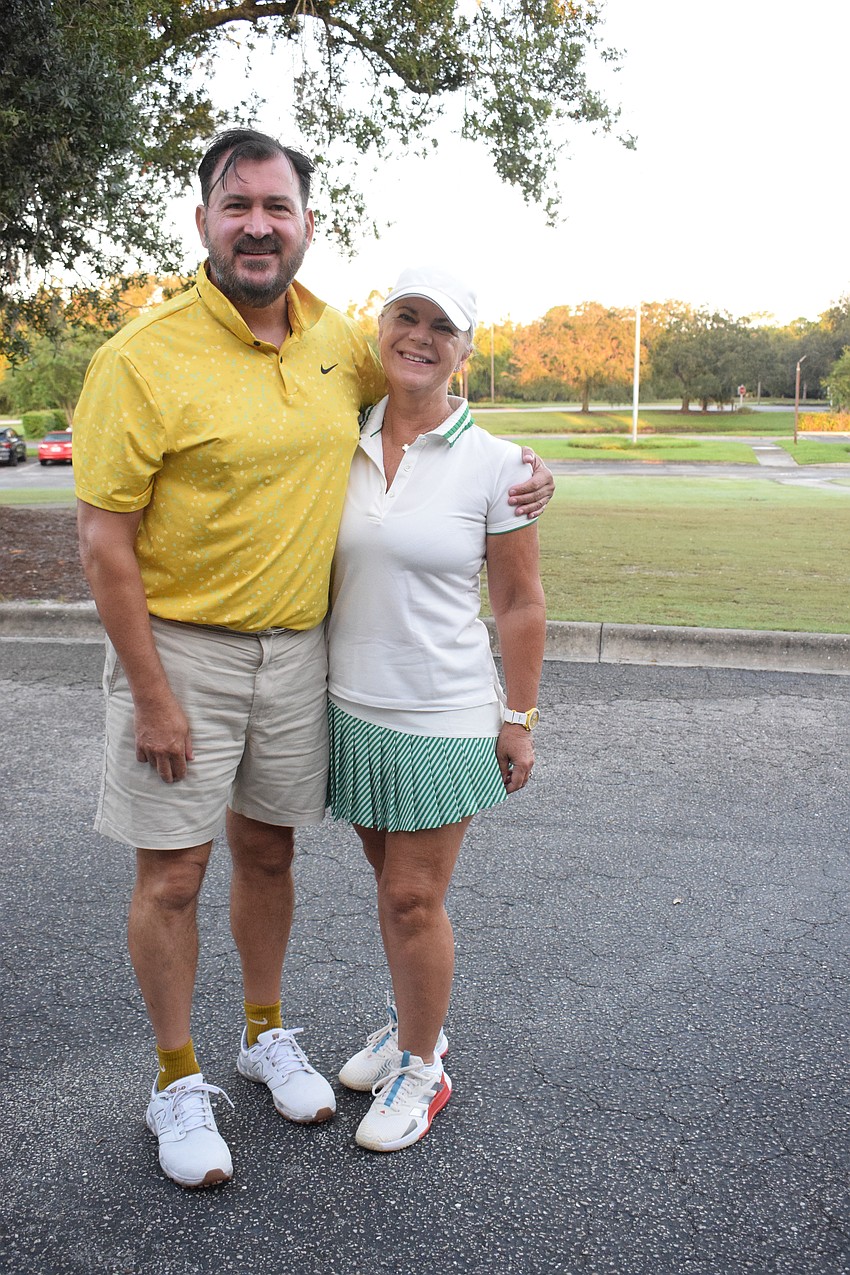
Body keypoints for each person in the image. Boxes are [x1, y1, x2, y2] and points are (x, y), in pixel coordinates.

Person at [73, 128, 553, 1189]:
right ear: (204, 219)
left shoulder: (340, 342)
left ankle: (265, 1034)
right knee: (172, 875)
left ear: (305, 223)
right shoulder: (140, 358)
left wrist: (524, 474)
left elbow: (432, 410)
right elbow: (104, 543)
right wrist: (151, 693)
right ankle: (176, 1080)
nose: (257, 225)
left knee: (269, 855)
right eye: (236, 205)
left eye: (276, 207)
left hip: (299, 656)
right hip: (182, 653)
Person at [326, 266, 546, 1152]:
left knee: (415, 897)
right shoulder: (337, 432)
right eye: (405, 317)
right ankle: (414, 1022)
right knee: (391, 889)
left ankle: (423, 1067)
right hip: (350, 705)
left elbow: (521, 602)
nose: (420, 337)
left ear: (465, 349)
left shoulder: (499, 463)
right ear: (380, 329)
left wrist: (520, 715)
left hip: (444, 713)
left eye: (441, 327)